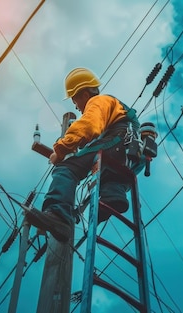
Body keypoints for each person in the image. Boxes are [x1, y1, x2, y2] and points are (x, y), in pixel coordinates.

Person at [25, 67, 140, 242]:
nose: (76, 107)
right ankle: (112, 197)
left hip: (117, 142)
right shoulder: (118, 110)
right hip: (127, 152)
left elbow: (88, 126)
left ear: (84, 95)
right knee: (109, 174)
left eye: (74, 100)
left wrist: (60, 150)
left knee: (66, 168)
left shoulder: (99, 101)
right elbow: (95, 134)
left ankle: (58, 216)